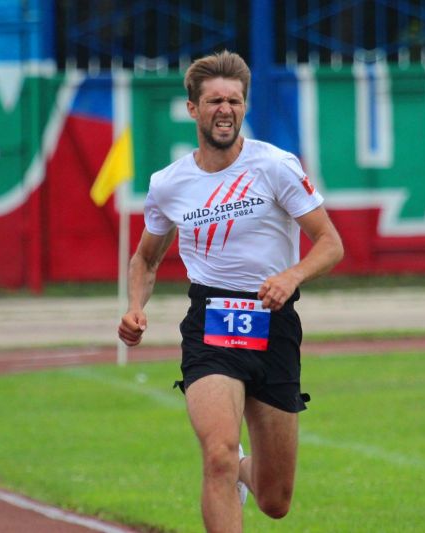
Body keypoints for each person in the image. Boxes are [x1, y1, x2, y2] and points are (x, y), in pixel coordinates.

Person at [118, 50, 343, 532]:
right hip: (211, 323)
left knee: (275, 499)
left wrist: (291, 276)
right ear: (193, 108)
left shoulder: (276, 166)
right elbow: (145, 259)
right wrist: (135, 307)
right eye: (215, 100)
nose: (225, 109)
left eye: (234, 101)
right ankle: (229, 465)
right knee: (216, 455)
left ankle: (244, 468)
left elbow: (330, 243)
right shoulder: (168, 184)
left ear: (244, 106)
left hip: (274, 322)